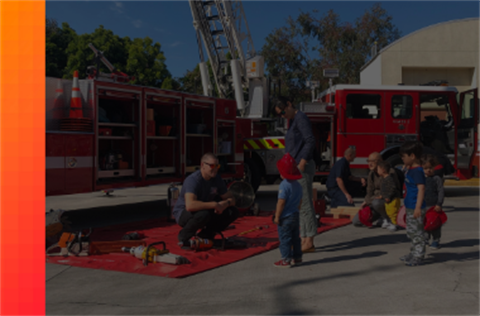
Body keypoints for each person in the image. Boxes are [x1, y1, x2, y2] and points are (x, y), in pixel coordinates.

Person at [273, 96, 317, 253]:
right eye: (280, 114)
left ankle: (309, 239)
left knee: (305, 203)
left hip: (301, 166)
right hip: (295, 166)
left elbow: (310, 140)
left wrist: (303, 161)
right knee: (300, 203)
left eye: (283, 111)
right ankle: (304, 237)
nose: (282, 116)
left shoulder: (301, 118)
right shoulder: (292, 120)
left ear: (289, 104)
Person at [173, 153, 238, 251]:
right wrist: (214, 205)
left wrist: (224, 204)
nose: (215, 169)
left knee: (232, 212)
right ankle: (184, 236)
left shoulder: (217, 179)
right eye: (212, 165)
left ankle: (206, 235)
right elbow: (190, 205)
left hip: (206, 210)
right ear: (202, 165)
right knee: (204, 214)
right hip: (184, 213)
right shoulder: (193, 180)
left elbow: (232, 199)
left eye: (217, 166)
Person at [273, 153, 303, 268]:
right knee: (296, 238)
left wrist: (277, 216)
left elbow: (281, 202)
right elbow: (300, 200)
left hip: (285, 217)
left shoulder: (284, 185)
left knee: (285, 238)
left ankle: (286, 259)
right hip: (295, 214)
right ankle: (297, 257)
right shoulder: (298, 185)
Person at [399, 141, 426, 266]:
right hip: (409, 205)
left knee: (417, 232)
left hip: (415, 206)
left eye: (404, 156)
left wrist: (418, 207)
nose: (402, 159)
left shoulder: (418, 171)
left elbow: (421, 189)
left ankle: (419, 255)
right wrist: (407, 168)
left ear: (412, 156)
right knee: (411, 231)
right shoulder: (411, 169)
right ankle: (413, 251)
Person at [422, 154, 445, 250]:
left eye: (430, 168)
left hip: (434, 206)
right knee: (425, 223)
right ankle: (426, 238)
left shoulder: (437, 179)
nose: (428, 170)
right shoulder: (421, 179)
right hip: (423, 206)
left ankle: (436, 240)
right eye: (426, 168)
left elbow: (441, 191)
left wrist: (439, 204)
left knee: (435, 224)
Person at [376, 161, 402, 232]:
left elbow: (392, 188)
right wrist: (381, 195)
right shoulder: (385, 179)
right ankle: (391, 222)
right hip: (389, 199)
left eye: (378, 169)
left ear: (383, 170)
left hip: (393, 199)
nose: (377, 171)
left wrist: (388, 196)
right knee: (388, 211)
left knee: (393, 212)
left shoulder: (389, 179)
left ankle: (395, 224)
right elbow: (384, 189)